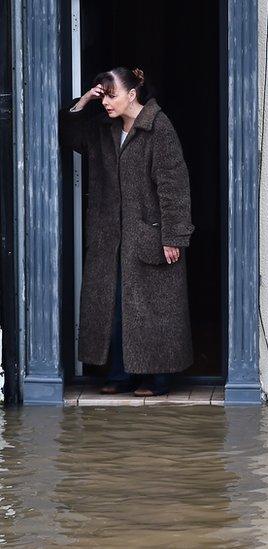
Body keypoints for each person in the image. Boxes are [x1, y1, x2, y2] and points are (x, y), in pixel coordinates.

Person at [59, 67, 195, 397]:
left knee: (153, 311)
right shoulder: (104, 129)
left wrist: (174, 236)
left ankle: (155, 378)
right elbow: (69, 137)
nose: (106, 102)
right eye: (102, 95)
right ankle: (120, 374)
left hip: (149, 235)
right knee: (116, 307)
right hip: (111, 236)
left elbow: (174, 186)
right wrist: (82, 103)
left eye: (111, 95)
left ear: (132, 95)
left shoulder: (158, 127)